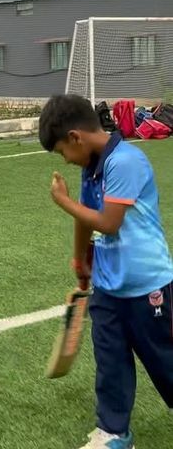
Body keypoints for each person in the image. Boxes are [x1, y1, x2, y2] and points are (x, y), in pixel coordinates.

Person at [38, 94, 173, 449]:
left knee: (163, 359)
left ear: (75, 137)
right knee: (110, 362)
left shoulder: (126, 161)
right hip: (107, 285)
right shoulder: (92, 167)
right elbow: (86, 216)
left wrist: (63, 201)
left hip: (146, 284)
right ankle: (114, 432)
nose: (66, 160)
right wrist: (80, 261)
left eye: (63, 152)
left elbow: (109, 223)